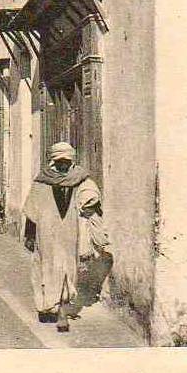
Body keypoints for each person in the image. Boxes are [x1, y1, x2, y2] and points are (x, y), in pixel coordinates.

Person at [21, 142, 108, 332]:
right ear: (53, 161)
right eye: (59, 161)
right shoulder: (42, 181)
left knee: (67, 270)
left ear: (71, 160)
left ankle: (61, 310)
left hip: (70, 233)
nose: (63, 165)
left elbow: (91, 198)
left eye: (66, 161)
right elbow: (31, 209)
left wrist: (90, 204)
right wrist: (29, 235)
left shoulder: (80, 179)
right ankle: (47, 306)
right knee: (44, 269)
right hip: (45, 234)